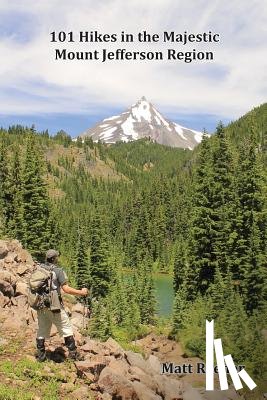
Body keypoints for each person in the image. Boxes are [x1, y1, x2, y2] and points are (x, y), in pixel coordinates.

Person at [35, 249, 88, 362]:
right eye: (57, 257)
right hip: (54, 306)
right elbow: (66, 289)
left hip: (40, 305)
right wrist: (81, 292)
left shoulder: (39, 268)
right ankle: (73, 354)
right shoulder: (58, 271)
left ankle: (41, 356)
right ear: (54, 258)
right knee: (66, 327)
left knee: (42, 330)